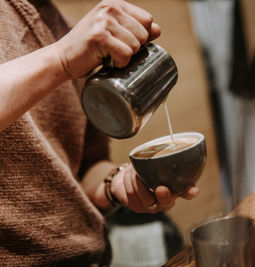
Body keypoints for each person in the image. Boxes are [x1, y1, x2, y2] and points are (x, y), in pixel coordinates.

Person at [0, 0, 199, 265]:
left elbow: (86, 166)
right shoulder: (67, 46)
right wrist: (60, 59)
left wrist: (117, 184)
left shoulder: (63, 28)